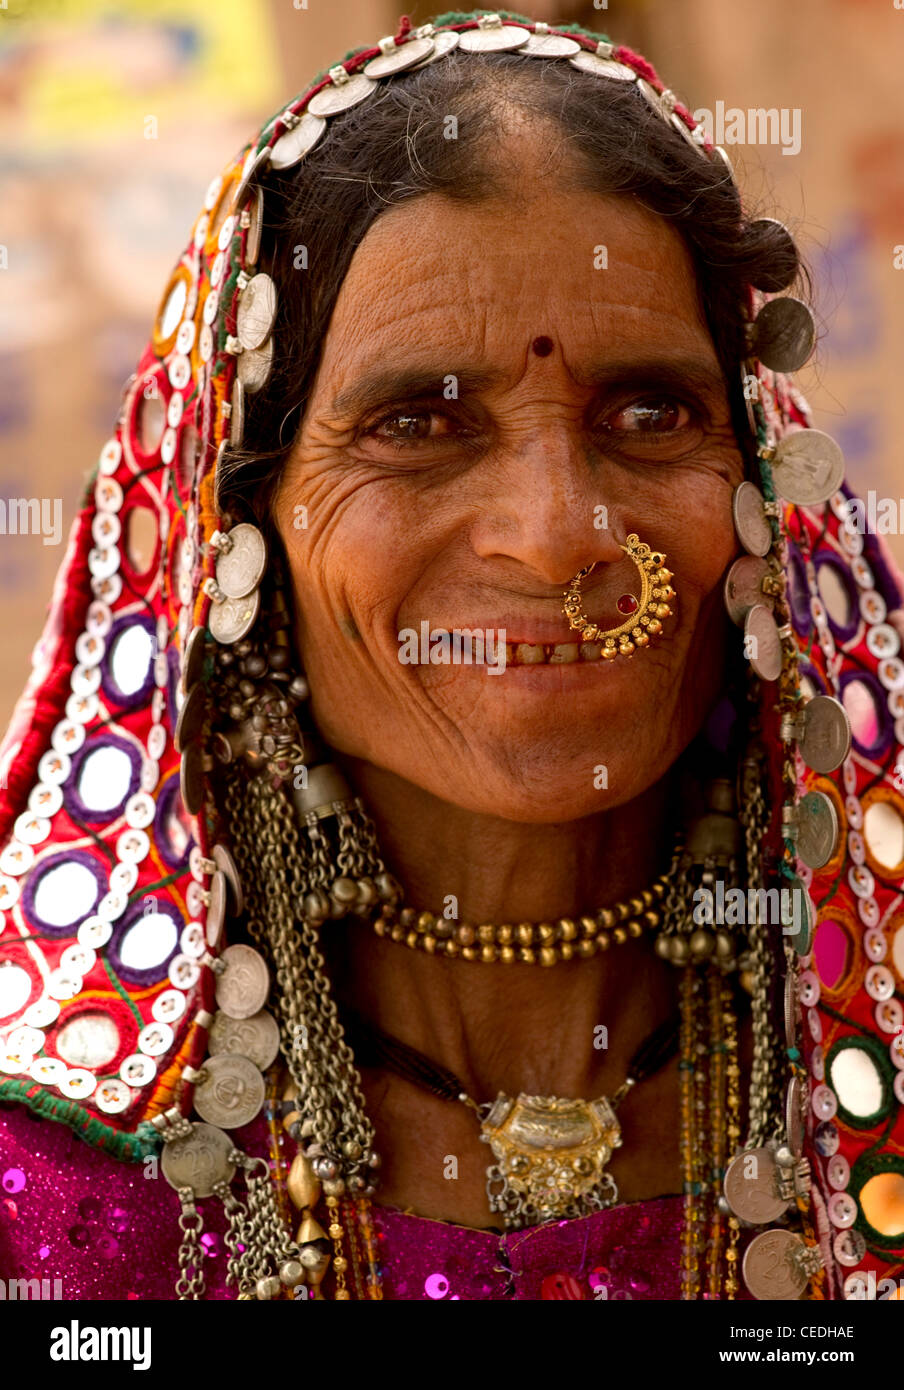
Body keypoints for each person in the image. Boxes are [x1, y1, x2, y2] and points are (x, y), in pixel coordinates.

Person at [0, 8, 902, 1303]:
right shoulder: (54, 1183)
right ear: (238, 516)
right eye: (418, 422)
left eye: (650, 413)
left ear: (761, 491)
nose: (551, 538)